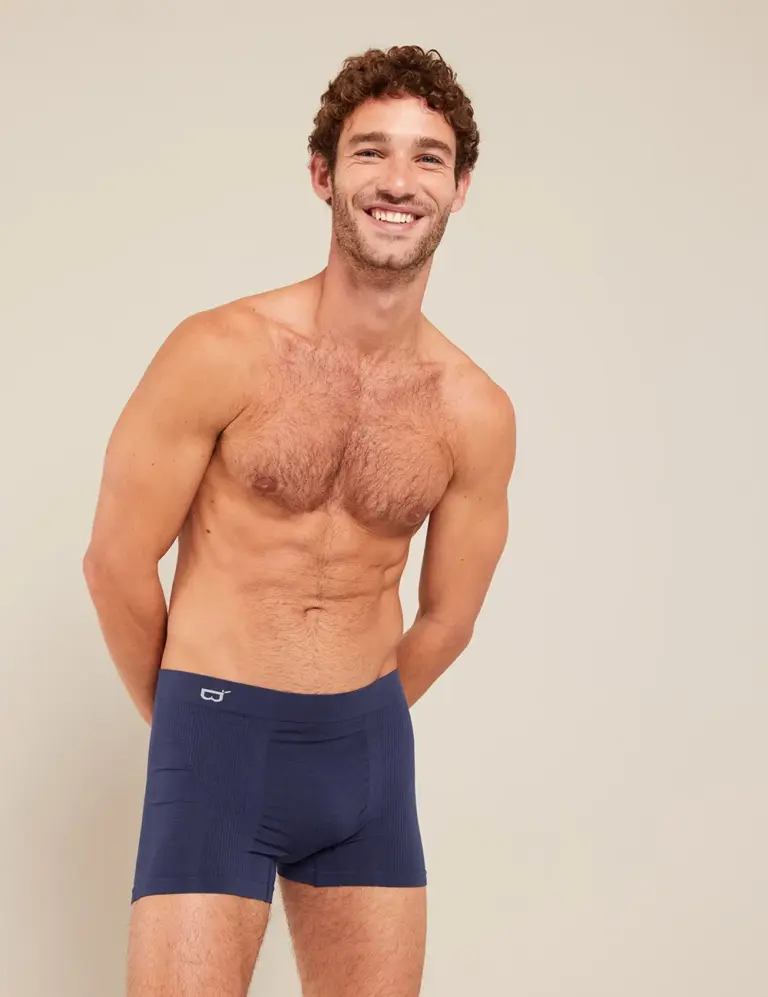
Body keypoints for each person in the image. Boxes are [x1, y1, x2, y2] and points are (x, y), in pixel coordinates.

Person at [83, 44, 516, 997]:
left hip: (365, 761)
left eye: (428, 157)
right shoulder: (221, 350)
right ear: (323, 174)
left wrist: (348, 724)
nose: (398, 181)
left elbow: (448, 617)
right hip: (215, 738)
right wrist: (199, 730)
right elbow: (115, 562)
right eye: (370, 152)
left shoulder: (474, 409)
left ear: (458, 188)